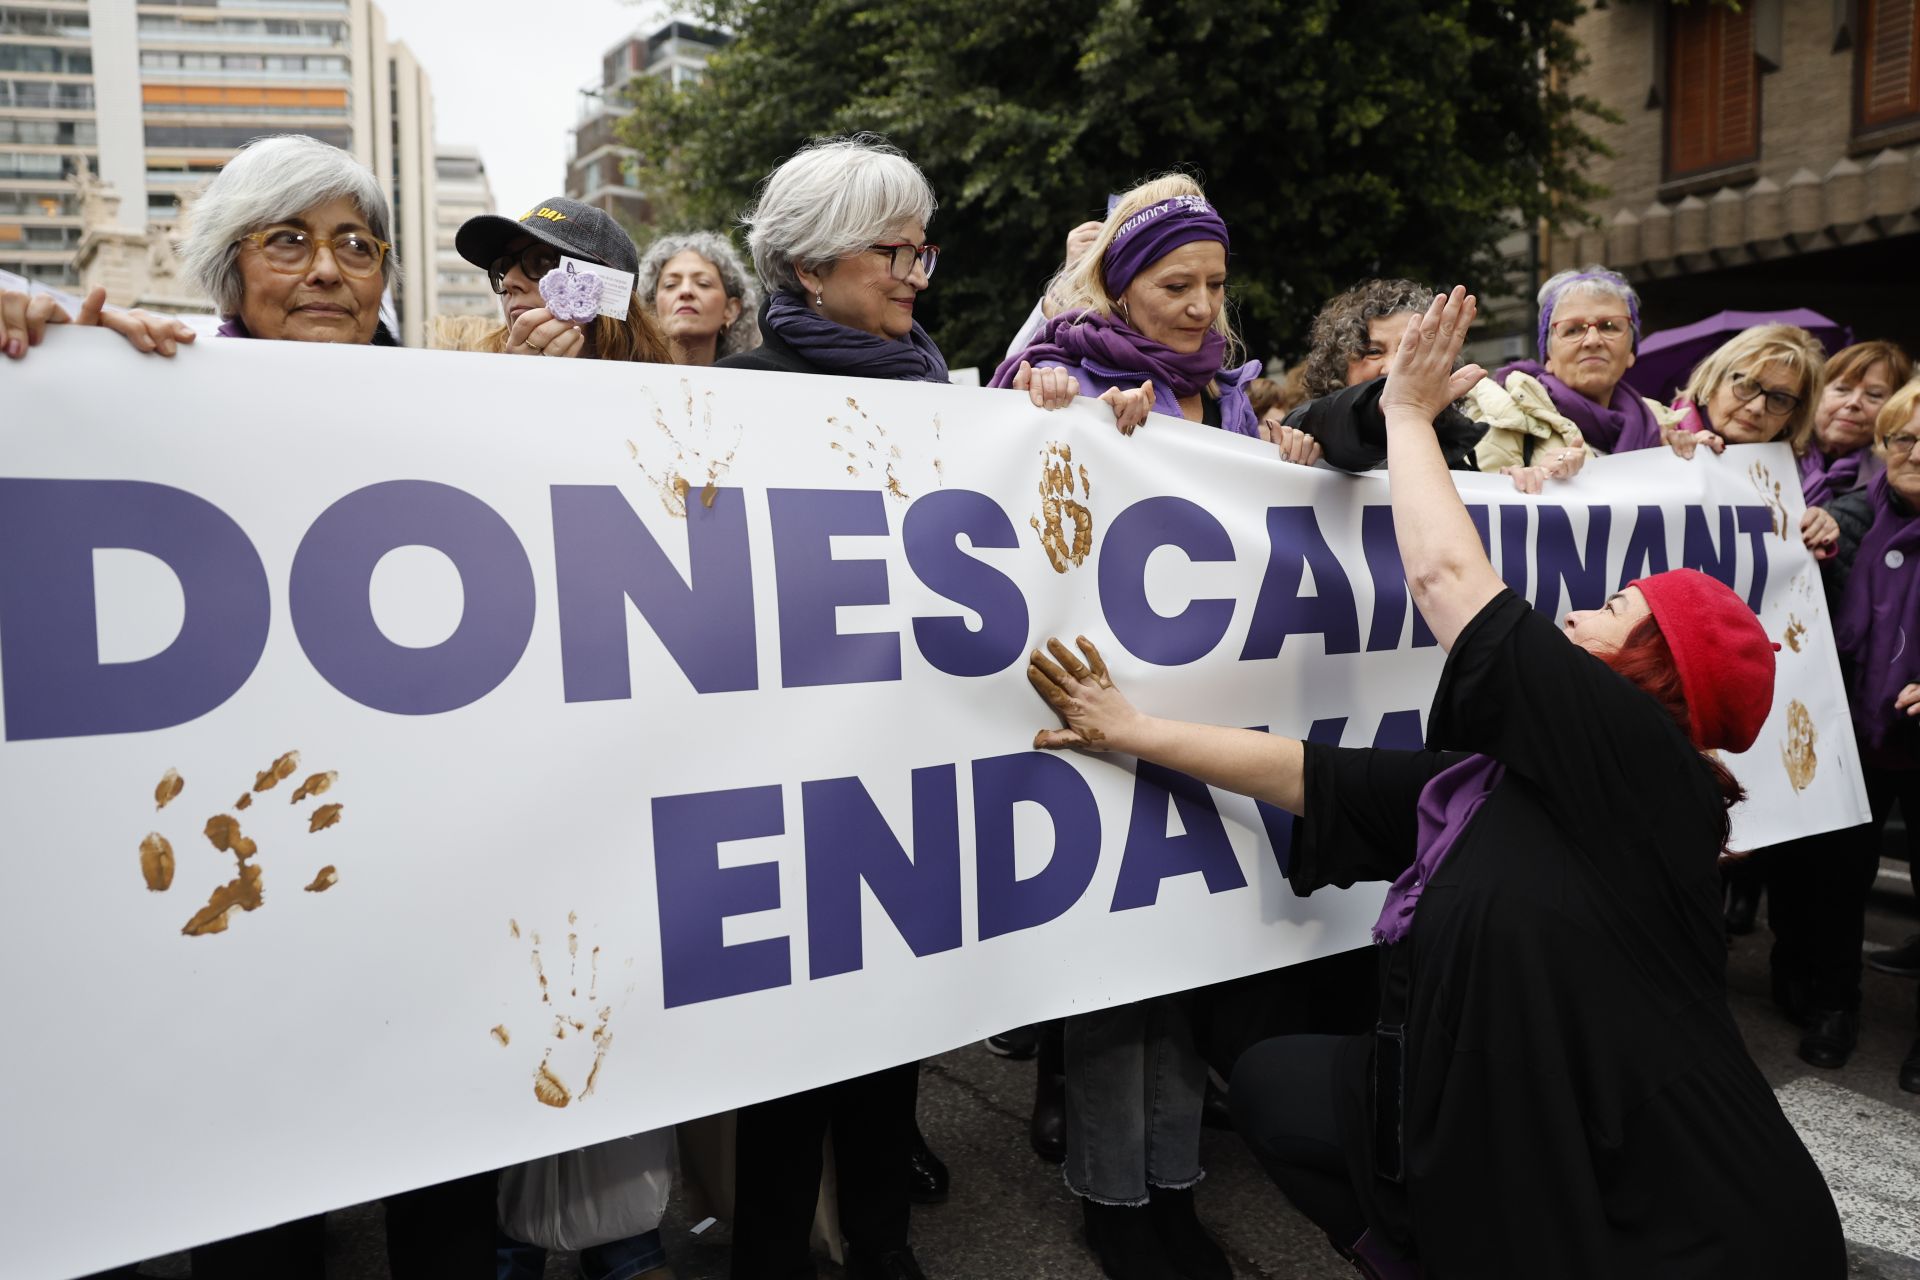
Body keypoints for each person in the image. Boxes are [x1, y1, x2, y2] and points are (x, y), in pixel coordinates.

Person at [1026, 287, 1844, 1279]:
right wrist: (1133, 727)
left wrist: (1407, 415)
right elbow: (1315, 776)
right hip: (1525, 1136)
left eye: (1616, 608)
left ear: (1657, 674)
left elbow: (1451, 581)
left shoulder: (1641, 759)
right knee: (1282, 1084)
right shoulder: (1505, 780)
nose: (1579, 610)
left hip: (1697, 1229)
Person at [716, 134, 943, 1280]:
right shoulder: (734, 396)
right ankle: (770, 1251)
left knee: (890, 1033)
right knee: (791, 1052)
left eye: (920, 250)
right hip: (784, 770)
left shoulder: (941, 396)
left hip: (904, 761)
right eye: (887, 250)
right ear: (808, 268)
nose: (912, 272)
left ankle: (884, 1244)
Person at [1722, 340, 1911, 936]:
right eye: (1843, 388)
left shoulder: (1885, 490)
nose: (1855, 404)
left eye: (1875, 395)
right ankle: (1743, 894)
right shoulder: (1769, 458)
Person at [1768, 378, 1920, 1088]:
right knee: (1834, 885)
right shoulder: (1845, 517)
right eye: (1902, 438)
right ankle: (1835, 1007)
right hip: (1849, 737)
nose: (1912, 453)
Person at [991, 175, 1320, 472]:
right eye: (1177, 287)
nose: (1203, 308)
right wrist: (1091, 425)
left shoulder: (1231, 397)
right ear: (1120, 289)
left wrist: (1289, 468)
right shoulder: (1057, 382)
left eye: (1216, 284)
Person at [1662, 324, 1837, 564]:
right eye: (1746, 384)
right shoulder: (1650, 435)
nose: (1756, 407)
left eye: (1779, 399)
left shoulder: (1805, 487)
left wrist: (1818, 532)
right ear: (1714, 380)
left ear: (1794, 415)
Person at [453, 196, 672, 363]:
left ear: (601, 293)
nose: (508, 280)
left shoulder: (664, 398)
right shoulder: (480, 384)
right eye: (502, 267)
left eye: (542, 262)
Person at [638, 230, 762, 366]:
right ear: (652, 308)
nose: (686, 291)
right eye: (670, 285)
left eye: (703, 283)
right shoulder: (626, 380)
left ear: (730, 310)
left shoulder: (752, 383)